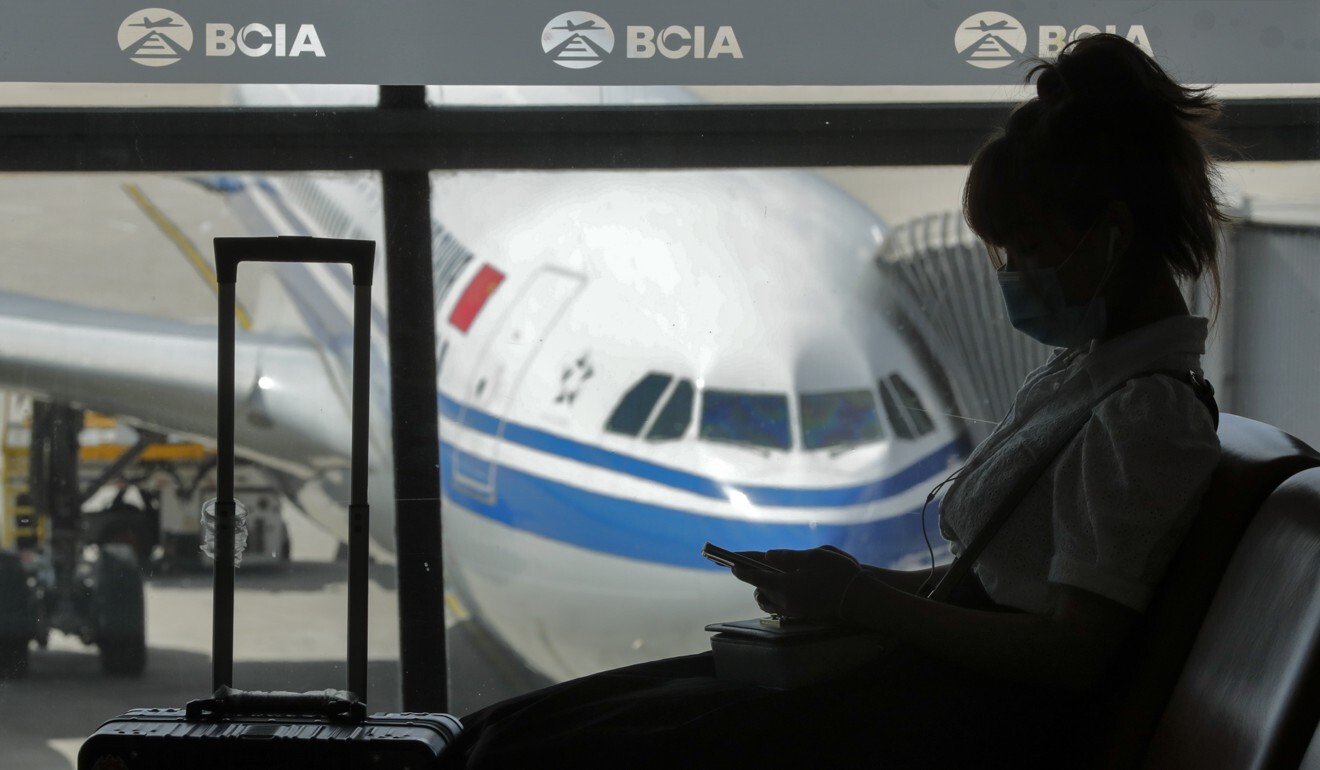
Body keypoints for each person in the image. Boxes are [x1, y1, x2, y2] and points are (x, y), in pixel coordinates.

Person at [440, 33, 1225, 769]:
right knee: (514, 726)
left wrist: (862, 601)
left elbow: (1069, 654)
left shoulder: (1145, 415)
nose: (1010, 275)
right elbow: (1004, 595)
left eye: (1023, 250)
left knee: (540, 746)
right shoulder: (1093, 378)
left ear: (1110, 238)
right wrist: (853, 579)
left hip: (954, 719)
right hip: (928, 684)